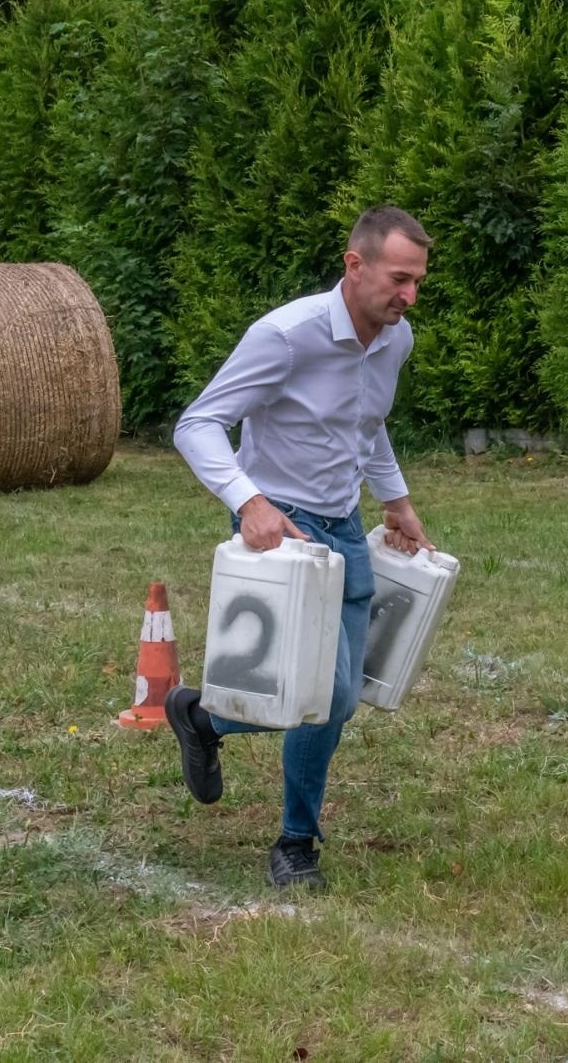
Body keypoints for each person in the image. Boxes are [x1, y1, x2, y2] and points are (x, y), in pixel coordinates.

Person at [166, 206, 435, 891]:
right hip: (279, 533)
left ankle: (206, 723)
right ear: (355, 264)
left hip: (343, 530)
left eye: (417, 283)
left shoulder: (394, 341)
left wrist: (396, 500)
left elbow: (365, 426)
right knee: (316, 692)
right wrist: (248, 502)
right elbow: (198, 424)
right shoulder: (286, 336)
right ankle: (294, 842)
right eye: (399, 279)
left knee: (336, 697)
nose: (409, 296)